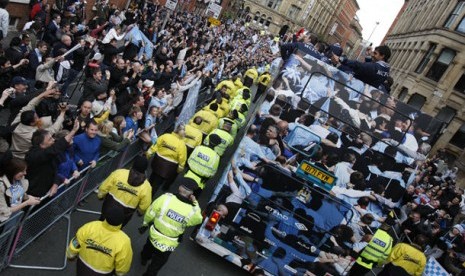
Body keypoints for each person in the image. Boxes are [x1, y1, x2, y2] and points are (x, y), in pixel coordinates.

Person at [139, 177, 202, 275]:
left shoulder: (165, 198)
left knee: (148, 249)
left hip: (154, 235)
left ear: (180, 188)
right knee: (156, 266)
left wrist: (145, 224)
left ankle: (144, 258)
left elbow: (151, 212)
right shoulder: (192, 210)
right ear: (191, 194)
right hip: (170, 243)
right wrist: (195, 202)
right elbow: (199, 219)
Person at [67, 204, 133, 276]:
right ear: (121, 221)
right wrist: (119, 274)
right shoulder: (124, 241)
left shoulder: (90, 226)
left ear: (106, 216)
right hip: (103, 273)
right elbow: (123, 263)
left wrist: (70, 255)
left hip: (83, 266)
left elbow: (76, 243)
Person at [26, 120, 79, 198]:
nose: (53, 140)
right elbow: (55, 149)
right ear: (41, 144)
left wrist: (56, 183)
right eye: (50, 139)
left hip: (49, 191)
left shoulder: (49, 153)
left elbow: (55, 170)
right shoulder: (34, 156)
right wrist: (73, 131)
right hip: (35, 194)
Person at [98, 155, 152, 226]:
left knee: (101, 224)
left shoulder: (119, 173)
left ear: (133, 164)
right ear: (145, 169)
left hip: (109, 205)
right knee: (117, 229)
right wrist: (140, 212)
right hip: (125, 214)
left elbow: (104, 187)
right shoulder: (146, 186)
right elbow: (145, 205)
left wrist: (100, 195)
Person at [146, 124, 187, 194]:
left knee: (151, 180)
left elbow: (154, 146)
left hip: (156, 163)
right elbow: (182, 160)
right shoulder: (182, 145)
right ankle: (149, 199)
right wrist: (178, 170)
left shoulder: (165, 136)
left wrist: (148, 156)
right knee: (156, 186)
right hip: (168, 169)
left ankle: (143, 194)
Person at [0, 158, 41, 223]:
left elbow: (17, 196)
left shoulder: (18, 179)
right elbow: (5, 211)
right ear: (13, 171)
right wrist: (27, 202)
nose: (25, 173)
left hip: (15, 216)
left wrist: (28, 197)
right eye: (22, 171)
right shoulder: (1, 186)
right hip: (4, 220)